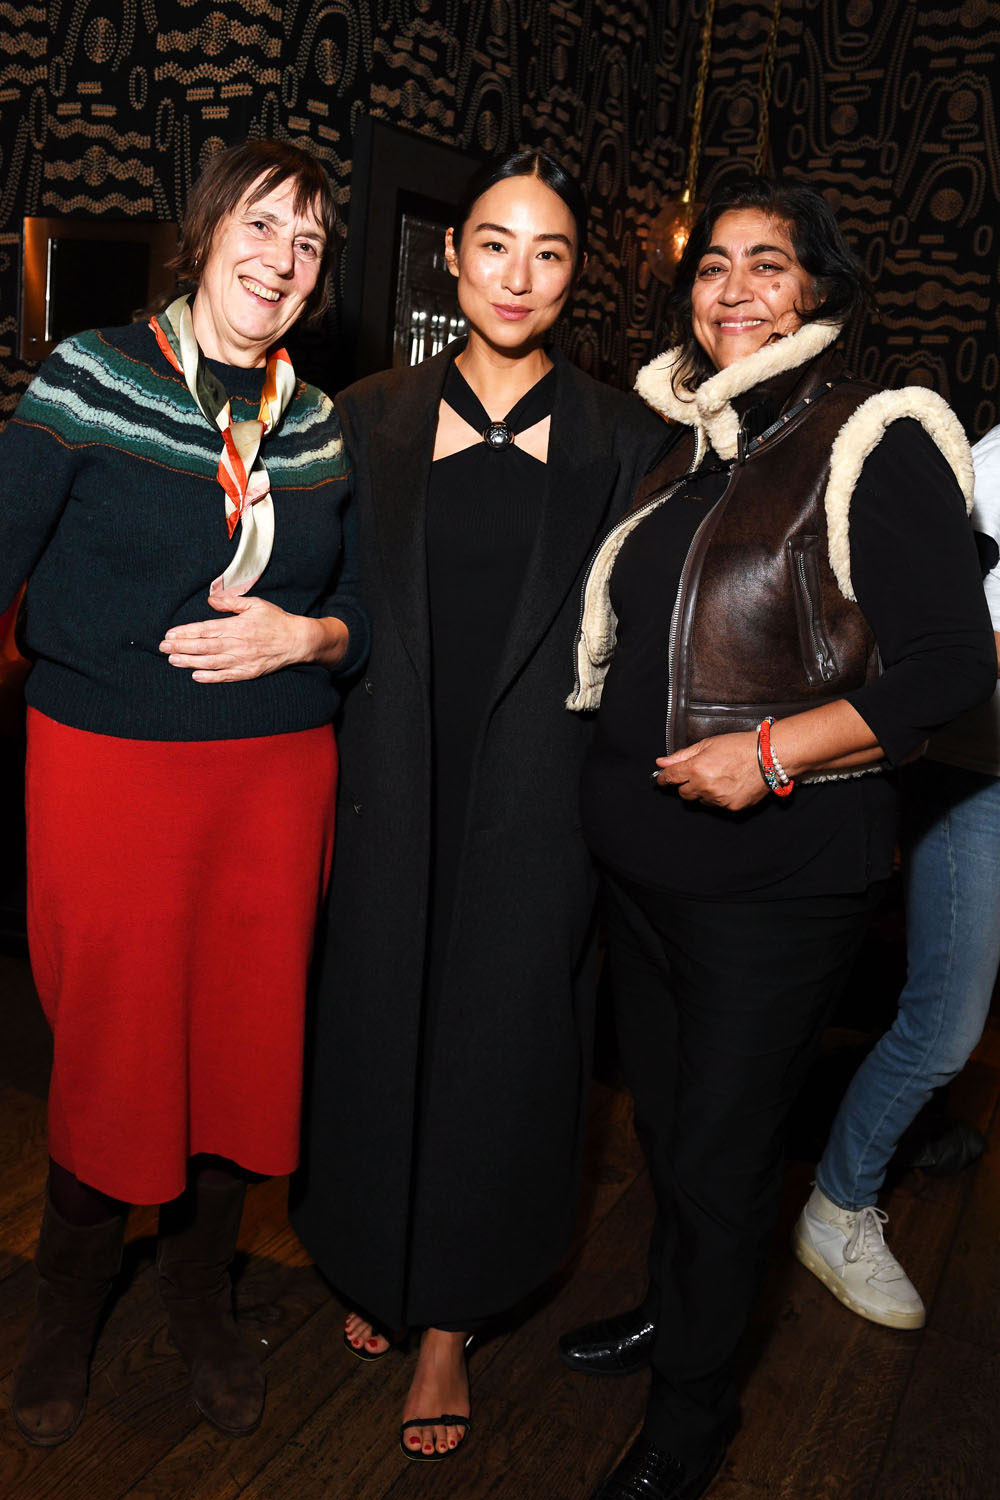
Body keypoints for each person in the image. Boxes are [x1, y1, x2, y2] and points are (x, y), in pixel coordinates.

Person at [557, 174, 996, 1500]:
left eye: (769, 263)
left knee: (721, 1155)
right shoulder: (693, 442)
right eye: (712, 266)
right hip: (645, 869)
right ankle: (674, 1312)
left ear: (821, 290)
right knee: (672, 1133)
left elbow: (950, 666)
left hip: (773, 881)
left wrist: (769, 754)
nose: (735, 288)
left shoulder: (871, 433)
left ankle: (693, 1420)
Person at [289, 147, 672, 1461]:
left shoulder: (626, 440)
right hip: (385, 783)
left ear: (576, 276)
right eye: (494, 244)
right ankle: (373, 1258)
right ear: (452, 259)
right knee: (371, 1024)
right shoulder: (364, 415)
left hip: (539, 802)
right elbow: (319, 594)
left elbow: (650, 641)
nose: (517, 275)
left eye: (548, 252)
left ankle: (449, 1316)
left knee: (506, 1051)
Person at [3, 138, 368, 1447]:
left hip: (276, 784)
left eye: (308, 243)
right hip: (111, 772)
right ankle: (65, 1309)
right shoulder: (90, 378)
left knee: (242, 1050)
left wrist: (308, 637)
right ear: (206, 233)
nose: (282, 258)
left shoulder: (319, 423)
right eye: (262, 226)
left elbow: (363, 607)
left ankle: (202, 1299)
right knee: (117, 1044)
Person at [794, 421, 1000, 1328]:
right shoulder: (990, 466)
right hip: (977, 774)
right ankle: (837, 1205)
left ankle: (926, 1132)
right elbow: (950, 645)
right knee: (945, 1025)